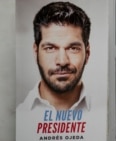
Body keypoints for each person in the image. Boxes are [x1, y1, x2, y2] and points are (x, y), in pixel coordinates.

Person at [16, 2, 92, 140]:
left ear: (87, 53)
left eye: (73, 48)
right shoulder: (16, 118)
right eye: (50, 48)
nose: (62, 61)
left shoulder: (105, 115)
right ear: (35, 52)